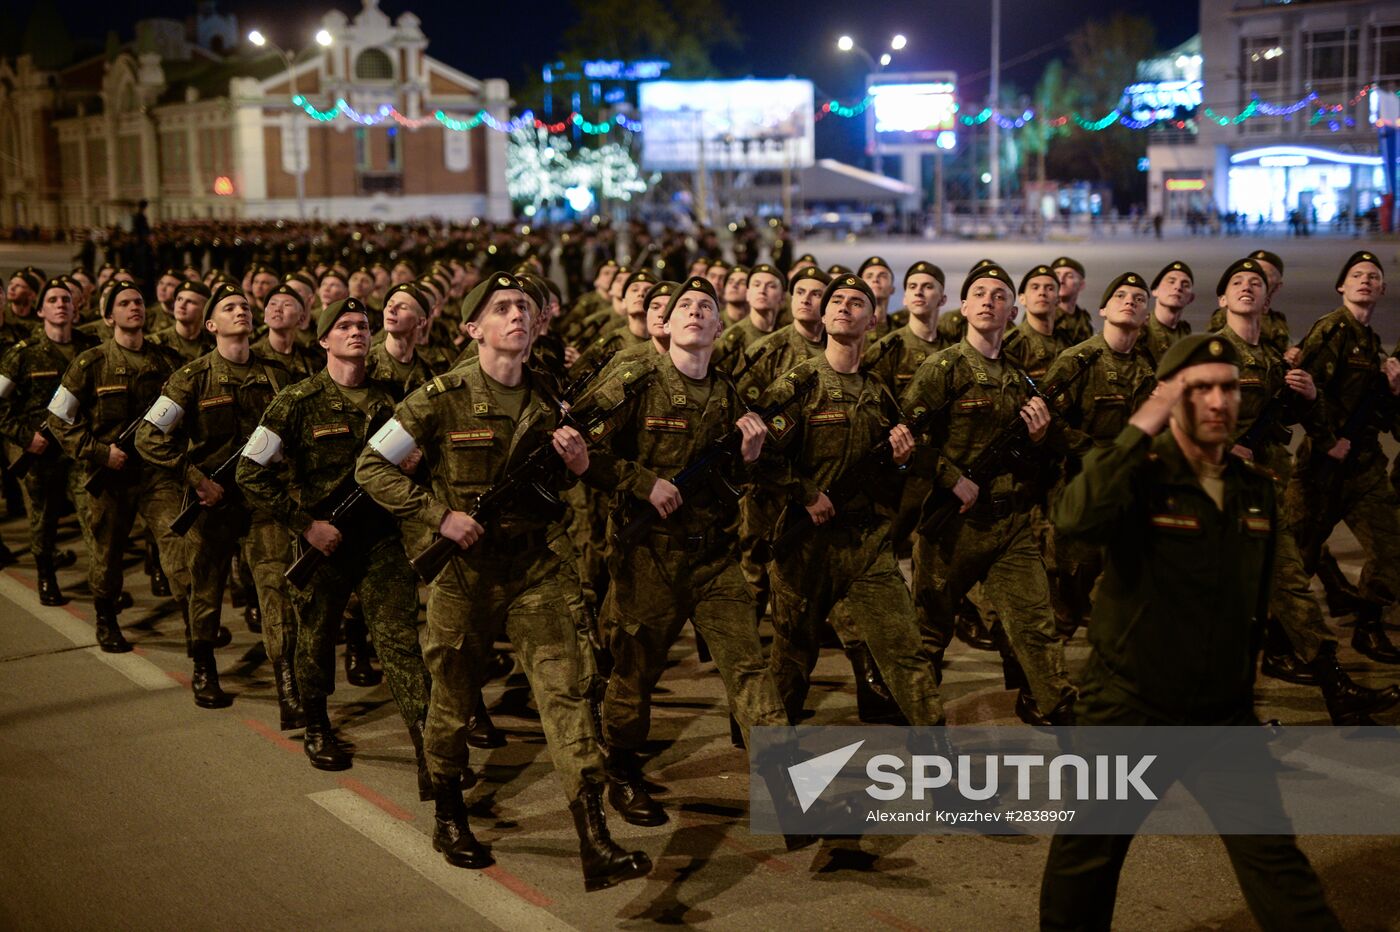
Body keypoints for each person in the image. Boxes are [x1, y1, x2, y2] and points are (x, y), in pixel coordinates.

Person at [354, 273, 652, 891]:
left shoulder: (551, 395)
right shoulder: (440, 395)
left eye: (526, 307)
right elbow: (370, 465)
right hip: (465, 575)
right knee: (454, 697)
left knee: (568, 693)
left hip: (537, 567)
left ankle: (594, 838)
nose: (518, 314)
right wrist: (440, 516)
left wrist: (578, 463)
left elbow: (574, 475)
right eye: (502, 308)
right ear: (472, 328)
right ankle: (450, 813)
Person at [1040, 333, 1341, 932]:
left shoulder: (1255, 489)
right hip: (1129, 709)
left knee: (1276, 864)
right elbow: (1075, 517)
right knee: (1088, 864)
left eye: (1227, 387)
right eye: (1198, 387)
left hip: (1220, 716)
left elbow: (1252, 603)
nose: (1217, 400)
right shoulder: (1139, 474)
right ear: (1170, 399)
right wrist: (1140, 427)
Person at [575, 276, 789, 827]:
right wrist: (642, 482)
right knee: (634, 672)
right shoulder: (636, 379)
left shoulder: (729, 395)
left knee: (748, 668)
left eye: (706, 307)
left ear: (720, 328)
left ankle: (786, 781)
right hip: (648, 556)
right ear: (663, 325)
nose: (694, 312)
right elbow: (577, 447)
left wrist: (751, 454)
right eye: (682, 306)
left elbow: (757, 475)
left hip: (715, 558)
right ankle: (621, 770)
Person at [235, 298, 431, 776]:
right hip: (322, 542)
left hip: (381, 541)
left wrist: (416, 465)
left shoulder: (392, 400)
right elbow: (248, 471)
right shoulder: (296, 403)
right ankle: (318, 724)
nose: (356, 332)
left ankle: (429, 747)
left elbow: (417, 467)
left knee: (401, 642)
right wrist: (304, 525)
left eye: (363, 325)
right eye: (343, 326)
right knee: (316, 640)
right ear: (323, 339)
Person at [1212, 257, 1398, 724]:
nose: (1248, 288)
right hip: (1217, 498)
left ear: (1270, 298)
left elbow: (1298, 418)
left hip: (1263, 494)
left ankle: (1335, 689)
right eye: (1237, 282)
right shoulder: (1210, 354)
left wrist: (1312, 399)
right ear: (1221, 299)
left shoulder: (1274, 364)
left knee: (1291, 586)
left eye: (1256, 283)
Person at [758, 273, 946, 727]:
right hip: (805, 547)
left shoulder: (878, 393)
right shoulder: (798, 384)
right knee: (792, 661)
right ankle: (771, 756)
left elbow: (892, 482)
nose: (844, 307)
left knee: (905, 650)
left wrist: (901, 461)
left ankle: (940, 756)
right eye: (835, 301)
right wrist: (806, 495)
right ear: (822, 317)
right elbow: (759, 458)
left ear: (873, 318)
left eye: (856, 302)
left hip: (866, 546)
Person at [902, 264, 1075, 723]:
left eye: (999, 296)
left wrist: (1039, 440)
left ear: (1012, 311)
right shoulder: (943, 367)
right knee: (930, 629)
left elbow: (1040, 460)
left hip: (1009, 523)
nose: (987, 301)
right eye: (978, 293)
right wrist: (948, 477)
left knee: (1035, 619)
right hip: (953, 524)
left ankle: (1052, 702)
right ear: (962, 307)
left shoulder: (1019, 379)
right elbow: (906, 436)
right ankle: (921, 716)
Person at [136, 283, 295, 711]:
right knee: (206, 587)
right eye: (229, 307)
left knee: (275, 586)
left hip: (262, 502)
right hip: (213, 501)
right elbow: (149, 438)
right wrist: (195, 479)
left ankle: (287, 679)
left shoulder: (277, 374)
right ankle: (204, 665)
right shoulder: (191, 378)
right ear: (211, 325)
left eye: (244, 306)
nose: (240, 311)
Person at [47, 280, 190, 654]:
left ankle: (195, 624)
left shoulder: (166, 360)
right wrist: (98, 453)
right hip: (111, 475)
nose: (134, 307)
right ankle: (106, 616)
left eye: (139, 302)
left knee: (177, 544)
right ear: (109, 316)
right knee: (108, 553)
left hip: (157, 474)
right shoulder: (90, 362)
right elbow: (59, 418)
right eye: (124, 303)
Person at [1284, 251, 1400, 664]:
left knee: (1391, 549)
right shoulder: (1332, 329)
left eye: (1374, 276)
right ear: (1341, 287)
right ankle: (1281, 646)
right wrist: (1327, 439)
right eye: (1356, 275)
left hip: (1364, 467)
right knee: (1300, 557)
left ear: (1383, 289)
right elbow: (1301, 393)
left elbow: (1378, 415)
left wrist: (1393, 389)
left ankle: (1369, 627)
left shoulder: (1370, 343)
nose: (1365, 280)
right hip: (1322, 465)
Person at [1043, 273, 1156, 639]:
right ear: (1104, 310)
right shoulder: (1077, 361)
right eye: (1121, 295)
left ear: (1147, 316)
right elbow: (1049, 420)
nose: (1130, 301)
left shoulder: (1147, 367)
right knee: (1074, 581)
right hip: (1082, 486)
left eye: (1139, 298)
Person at [0, 279, 100, 603]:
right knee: (43, 519)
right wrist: (25, 438)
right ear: (41, 309)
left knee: (94, 518)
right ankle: (46, 576)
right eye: (53, 299)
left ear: (75, 309)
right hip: (41, 452)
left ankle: (103, 587)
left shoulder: (91, 348)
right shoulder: (22, 354)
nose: (60, 304)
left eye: (66, 300)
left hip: (81, 451)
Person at [1140, 261, 1194, 369]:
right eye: (1171, 281)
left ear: (1191, 298)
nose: (1178, 287)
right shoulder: (1139, 329)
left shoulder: (1186, 334)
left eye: (1185, 285)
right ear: (1155, 291)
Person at [1050, 256, 1094, 345]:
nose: (1061, 280)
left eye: (1069, 276)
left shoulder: (1084, 320)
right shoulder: (1043, 316)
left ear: (1081, 284)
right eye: (1057, 275)